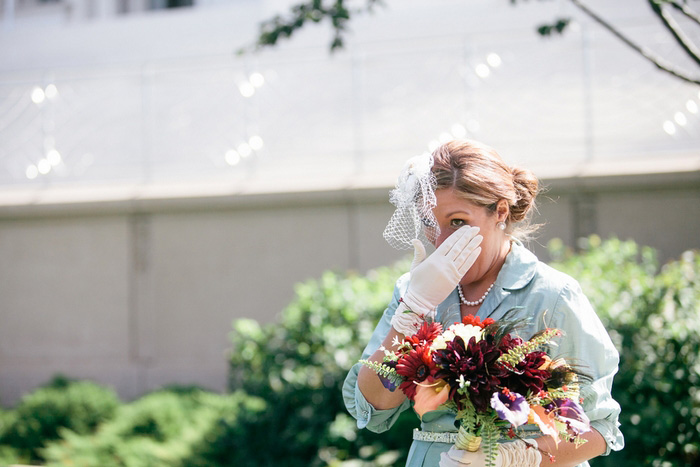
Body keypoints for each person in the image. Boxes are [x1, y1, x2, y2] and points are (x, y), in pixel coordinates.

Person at [342, 140, 624, 467]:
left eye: (458, 222)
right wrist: (413, 308)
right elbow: (374, 406)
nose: (442, 241)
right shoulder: (414, 290)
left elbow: (598, 428)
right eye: (431, 223)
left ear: (500, 212)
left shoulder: (554, 295)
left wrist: (511, 458)